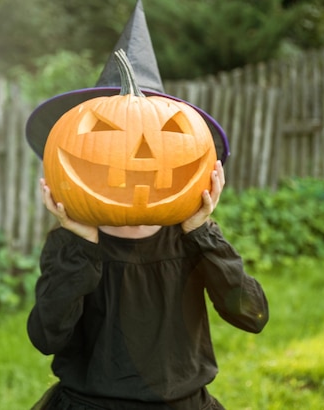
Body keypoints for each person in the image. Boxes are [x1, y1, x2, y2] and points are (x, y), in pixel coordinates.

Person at [27, 160, 269, 409]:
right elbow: (47, 337)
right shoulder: (72, 244)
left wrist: (201, 234)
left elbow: (252, 314)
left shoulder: (192, 238)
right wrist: (84, 247)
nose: (135, 174)